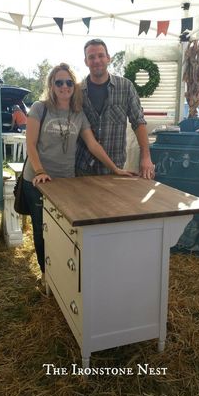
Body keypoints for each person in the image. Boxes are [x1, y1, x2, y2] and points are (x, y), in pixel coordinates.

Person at [22, 63, 135, 283]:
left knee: (63, 228)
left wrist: (115, 169)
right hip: (37, 180)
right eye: (59, 82)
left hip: (65, 181)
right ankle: (46, 275)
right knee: (41, 227)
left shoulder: (78, 113)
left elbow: (93, 144)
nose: (64, 86)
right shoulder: (39, 107)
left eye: (68, 82)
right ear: (52, 85)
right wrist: (41, 171)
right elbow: (31, 144)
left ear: (74, 86)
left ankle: (63, 274)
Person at [75, 38, 155, 179]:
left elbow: (138, 122)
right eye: (91, 57)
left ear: (108, 58)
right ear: (86, 61)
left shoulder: (125, 87)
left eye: (101, 55)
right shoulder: (77, 91)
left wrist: (146, 157)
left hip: (114, 168)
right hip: (83, 167)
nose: (97, 60)